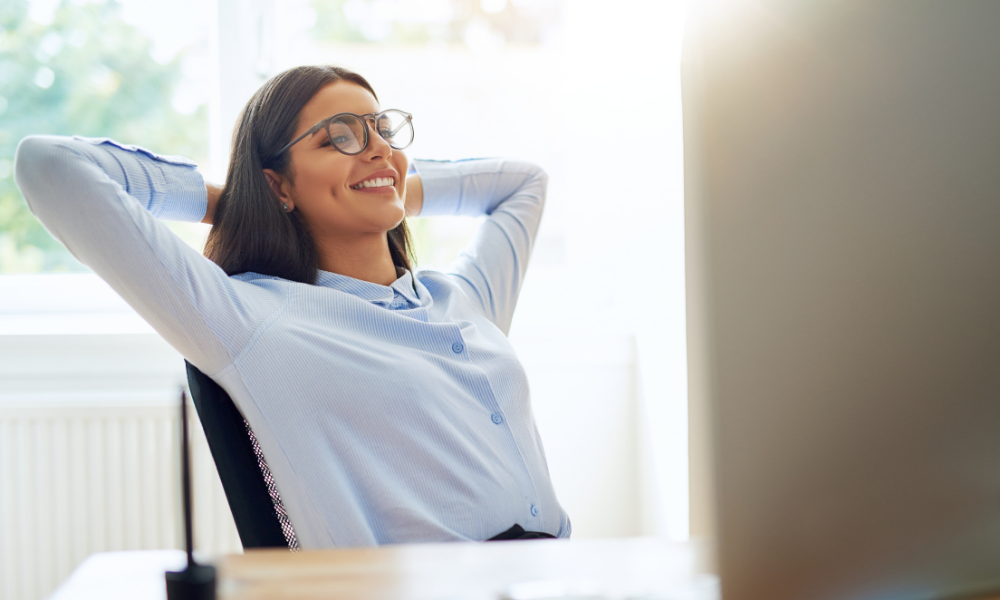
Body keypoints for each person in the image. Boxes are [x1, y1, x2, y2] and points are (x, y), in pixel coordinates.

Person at [13, 65, 570, 548]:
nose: (377, 146)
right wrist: (231, 203)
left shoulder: (464, 300)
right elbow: (48, 165)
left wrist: (390, 182)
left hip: (566, 574)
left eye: (382, 131)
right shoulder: (252, 321)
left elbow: (525, 183)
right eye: (339, 139)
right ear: (279, 185)